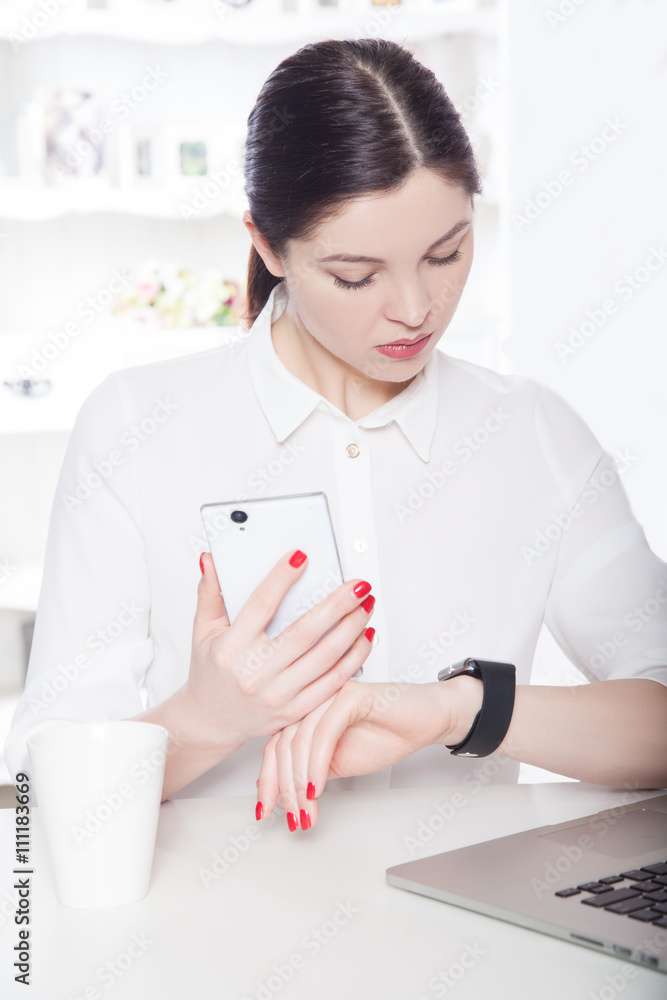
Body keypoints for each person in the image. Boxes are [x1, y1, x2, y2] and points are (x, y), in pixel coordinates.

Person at [5, 38, 667, 834]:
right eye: (356, 275)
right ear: (266, 244)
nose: (414, 309)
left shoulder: (531, 433)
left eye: (445, 253)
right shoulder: (136, 426)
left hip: (462, 906)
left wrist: (458, 708)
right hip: (214, 912)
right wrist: (206, 718)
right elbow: (41, 791)